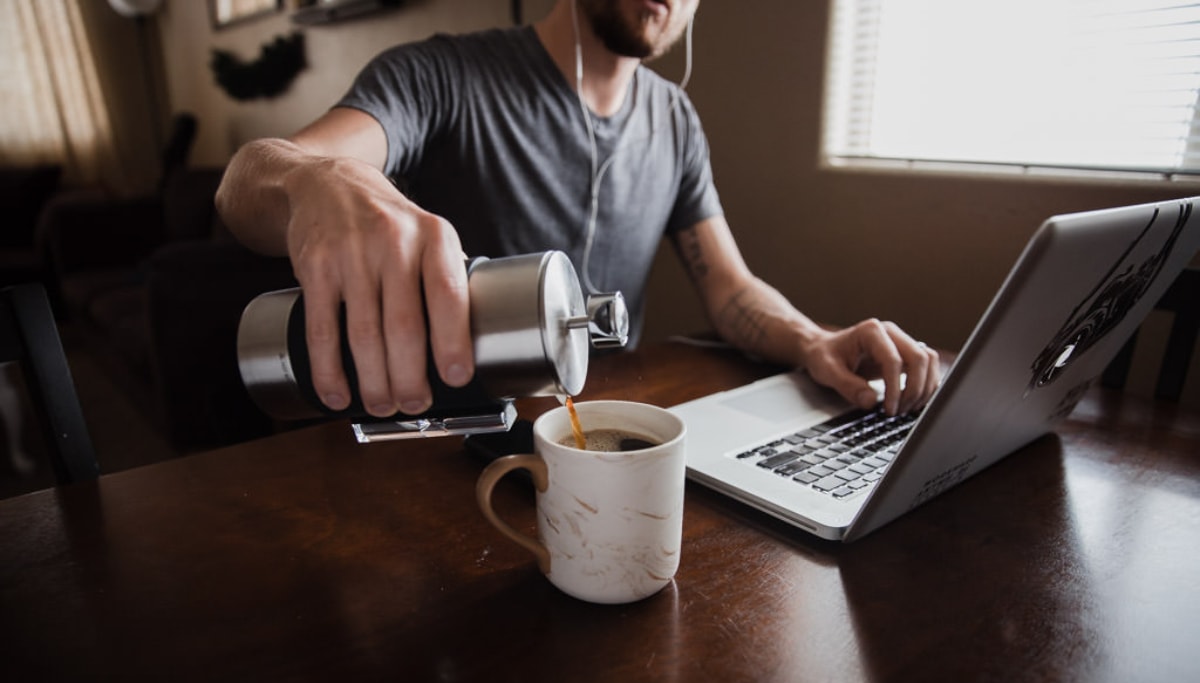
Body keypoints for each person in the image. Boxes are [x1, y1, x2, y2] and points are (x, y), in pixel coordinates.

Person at [216, 0, 940, 421]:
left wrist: (813, 338)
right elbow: (250, 180)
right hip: (447, 451)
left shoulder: (675, 120)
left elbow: (728, 286)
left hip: (603, 440)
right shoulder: (440, 76)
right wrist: (318, 182)